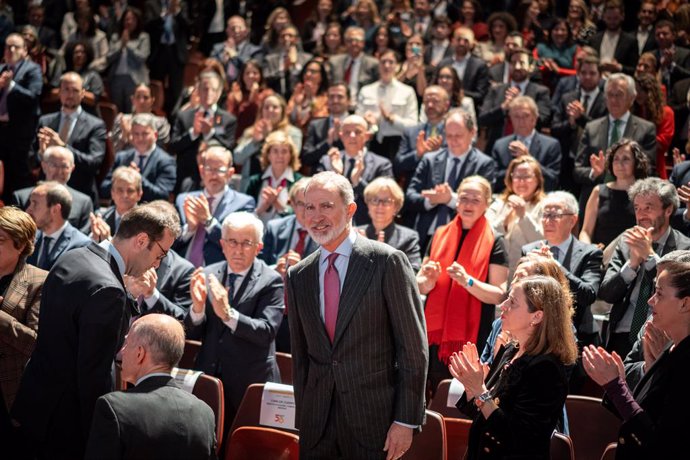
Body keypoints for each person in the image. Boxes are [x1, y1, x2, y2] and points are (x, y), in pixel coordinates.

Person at [12, 202, 181, 459]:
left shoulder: (73, 256)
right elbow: (95, 376)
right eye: (160, 254)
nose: (157, 265)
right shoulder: (110, 291)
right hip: (65, 427)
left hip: (33, 405)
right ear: (141, 240)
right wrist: (101, 434)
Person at [286, 171, 428, 458]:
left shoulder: (387, 262)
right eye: (309, 207)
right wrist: (304, 420)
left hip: (375, 424)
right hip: (317, 427)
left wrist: (405, 420)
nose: (316, 216)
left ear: (350, 209)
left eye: (326, 206)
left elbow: (413, 350)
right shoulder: (298, 275)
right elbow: (301, 358)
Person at [450, 275, 578, 459]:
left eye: (513, 302)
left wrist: (480, 390)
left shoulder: (546, 369)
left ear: (537, 316)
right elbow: (482, 415)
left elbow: (518, 438)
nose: (503, 306)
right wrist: (471, 387)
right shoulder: (511, 350)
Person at [186, 211, 284, 439]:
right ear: (222, 244)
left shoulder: (271, 280)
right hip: (209, 378)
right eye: (232, 242)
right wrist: (198, 309)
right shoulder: (208, 274)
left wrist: (229, 315)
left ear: (259, 246)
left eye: (246, 243)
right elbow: (193, 332)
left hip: (249, 382)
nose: (238, 250)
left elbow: (266, 332)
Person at [584, 255, 690, 459]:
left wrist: (616, 386)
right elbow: (640, 414)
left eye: (659, 294)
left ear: (685, 304)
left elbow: (660, 442)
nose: (650, 301)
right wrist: (620, 383)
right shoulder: (670, 348)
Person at [417, 175, 509, 389]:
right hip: (435, 335)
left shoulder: (496, 240)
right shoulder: (439, 234)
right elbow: (421, 285)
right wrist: (426, 279)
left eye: (475, 199)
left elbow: (499, 295)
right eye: (464, 198)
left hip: (472, 335)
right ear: (456, 201)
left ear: (487, 204)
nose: (468, 204)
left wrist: (467, 281)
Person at [85, 314, 217, 459]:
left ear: (140, 353)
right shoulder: (205, 413)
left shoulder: (114, 408)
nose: (122, 352)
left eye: (127, 344)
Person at [599, 178, 690, 358]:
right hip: (620, 333)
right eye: (637, 208)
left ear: (668, 209)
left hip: (661, 335)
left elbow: (675, 291)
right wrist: (631, 265)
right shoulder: (626, 242)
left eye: (648, 207)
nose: (641, 215)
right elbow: (607, 293)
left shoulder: (685, 248)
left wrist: (649, 257)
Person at [406, 109, 497, 252]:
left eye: (458, 135)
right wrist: (432, 200)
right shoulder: (429, 159)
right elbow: (410, 195)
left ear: (472, 133)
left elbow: (485, 202)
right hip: (427, 236)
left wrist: (450, 199)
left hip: (464, 237)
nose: (453, 141)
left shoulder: (484, 164)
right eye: (449, 136)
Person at [574, 73, 656, 216]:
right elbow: (577, 170)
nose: (614, 100)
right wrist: (594, 172)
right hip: (595, 203)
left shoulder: (646, 129)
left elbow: (648, 169)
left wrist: (626, 171)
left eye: (619, 95)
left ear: (632, 98)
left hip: (631, 203)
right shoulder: (591, 128)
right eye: (610, 95)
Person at [0, 207, 46, 435]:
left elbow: (35, 342)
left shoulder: (39, 281)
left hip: (9, 396)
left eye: (0, 239)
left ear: (20, 245)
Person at [174, 146, 255, 268]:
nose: (214, 175)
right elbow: (168, 244)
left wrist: (208, 221)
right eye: (209, 169)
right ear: (201, 171)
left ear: (230, 173)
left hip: (217, 274)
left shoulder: (244, 203)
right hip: (181, 273)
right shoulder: (183, 200)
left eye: (220, 170)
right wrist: (189, 229)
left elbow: (238, 244)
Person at [33, 72, 107, 204]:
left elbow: (94, 162)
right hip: (47, 193)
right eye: (66, 89)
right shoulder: (46, 122)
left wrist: (63, 146)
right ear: (59, 92)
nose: (70, 95)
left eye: (75, 90)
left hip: (80, 192)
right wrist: (42, 154)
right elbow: (31, 160)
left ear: (83, 93)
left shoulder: (96, 125)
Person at [317, 114, 394, 225]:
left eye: (357, 132)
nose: (352, 136)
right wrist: (337, 176)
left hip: (368, 227)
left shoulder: (382, 164)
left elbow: (385, 201)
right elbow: (318, 197)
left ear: (367, 136)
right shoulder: (327, 161)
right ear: (341, 135)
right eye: (347, 132)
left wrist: (358, 181)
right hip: (332, 225)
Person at [169, 71, 237, 192]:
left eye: (213, 90)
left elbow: (230, 147)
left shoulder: (228, 120)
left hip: (216, 181)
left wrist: (210, 133)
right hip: (187, 179)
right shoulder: (184, 116)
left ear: (220, 92)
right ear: (198, 91)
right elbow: (173, 146)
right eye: (205, 89)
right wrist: (193, 133)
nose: (209, 93)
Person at [478, 47, 551, 156]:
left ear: (530, 67)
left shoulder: (540, 91)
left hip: (529, 149)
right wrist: (503, 107)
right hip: (498, 148)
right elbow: (482, 118)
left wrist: (521, 107)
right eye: (513, 63)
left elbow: (544, 119)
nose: (517, 67)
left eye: (521, 63)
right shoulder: (496, 90)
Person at [580, 140, 648, 248]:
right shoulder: (598, 191)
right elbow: (586, 232)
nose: (619, 164)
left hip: (634, 254)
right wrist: (590, 250)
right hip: (601, 257)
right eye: (616, 159)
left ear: (636, 162)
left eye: (626, 159)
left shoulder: (645, 193)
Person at [10, 146, 93, 234]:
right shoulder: (22, 197)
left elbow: (84, 237)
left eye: (64, 166)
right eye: (54, 165)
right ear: (44, 166)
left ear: (72, 168)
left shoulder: (83, 202)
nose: (59, 171)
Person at [0, 32, 43, 201]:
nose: (10, 50)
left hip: (20, 134)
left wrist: (11, 86)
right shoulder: (1, 69)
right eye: (7, 46)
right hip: (1, 130)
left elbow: (33, 97)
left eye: (15, 46)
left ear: (25, 50)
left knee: (17, 177)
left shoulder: (33, 69)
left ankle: (19, 218)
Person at [486, 156, 545, 277]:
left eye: (527, 177)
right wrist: (505, 221)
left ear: (537, 180)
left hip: (530, 277)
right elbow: (485, 235)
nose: (521, 181)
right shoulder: (498, 203)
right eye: (517, 176)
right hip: (497, 275)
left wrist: (523, 216)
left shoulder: (545, 206)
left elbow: (543, 242)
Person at [357, 48, 419, 161]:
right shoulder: (366, 90)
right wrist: (366, 120)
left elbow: (413, 125)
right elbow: (357, 121)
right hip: (371, 142)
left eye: (391, 62)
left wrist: (391, 118)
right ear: (378, 64)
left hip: (397, 143)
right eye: (383, 62)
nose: (387, 66)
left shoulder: (407, 91)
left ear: (397, 65)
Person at [490, 95, 562, 192]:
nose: (521, 121)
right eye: (516, 116)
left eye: (525, 116)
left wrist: (529, 159)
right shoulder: (500, 145)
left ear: (535, 119)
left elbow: (552, 180)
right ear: (510, 119)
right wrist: (514, 170)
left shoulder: (551, 145)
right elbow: (493, 179)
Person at [101, 114, 176, 203]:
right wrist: (120, 180)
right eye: (136, 134)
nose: (140, 138)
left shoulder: (166, 161)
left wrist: (138, 178)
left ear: (155, 135)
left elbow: (163, 195)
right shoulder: (122, 158)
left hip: (149, 212)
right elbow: (104, 189)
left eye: (145, 134)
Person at [357, 177, 422, 271]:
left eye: (387, 201)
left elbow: (413, 272)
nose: (380, 206)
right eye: (375, 200)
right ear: (368, 204)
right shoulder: (355, 234)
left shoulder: (408, 238)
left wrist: (382, 258)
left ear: (396, 206)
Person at [25, 181, 92, 271]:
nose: (28, 210)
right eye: (30, 203)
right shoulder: (28, 238)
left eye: (35, 204)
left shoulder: (81, 246)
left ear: (55, 209)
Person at [394, 85, 451, 186]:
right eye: (426, 101)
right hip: (414, 192)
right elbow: (398, 165)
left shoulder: (454, 132)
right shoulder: (411, 132)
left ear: (446, 105)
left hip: (445, 189)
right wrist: (418, 154)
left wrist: (439, 152)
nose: (430, 105)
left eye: (435, 101)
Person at [245, 131, 304, 224]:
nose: (280, 156)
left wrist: (278, 204)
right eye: (275, 151)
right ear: (268, 155)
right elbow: (244, 214)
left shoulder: (300, 182)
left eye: (284, 151)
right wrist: (262, 207)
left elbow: (303, 215)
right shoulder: (255, 181)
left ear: (291, 155)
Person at [105, 7, 150, 113]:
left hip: (135, 79)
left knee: (133, 110)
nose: (129, 22)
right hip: (116, 78)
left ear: (137, 21)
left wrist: (128, 44)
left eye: (132, 19)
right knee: (118, 112)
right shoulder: (116, 37)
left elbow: (142, 57)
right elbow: (109, 57)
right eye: (126, 19)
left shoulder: (143, 37)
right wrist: (121, 45)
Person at [633, 73, 675, 179]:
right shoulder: (634, 110)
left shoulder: (666, 113)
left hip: (655, 167)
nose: (636, 94)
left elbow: (662, 144)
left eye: (640, 90)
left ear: (651, 92)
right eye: (635, 90)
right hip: (632, 167)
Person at [300, 82, 349, 171]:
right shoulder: (315, 125)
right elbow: (306, 158)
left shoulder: (357, 124)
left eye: (340, 96)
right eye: (331, 97)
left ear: (349, 100)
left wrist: (340, 138)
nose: (335, 101)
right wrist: (327, 143)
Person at [109, 83, 171, 153]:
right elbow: (114, 151)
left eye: (146, 97)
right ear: (132, 100)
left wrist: (129, 135)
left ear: (152, 100)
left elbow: (160, 151)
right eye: (138, 97)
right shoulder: (122, 120)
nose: (141, 101)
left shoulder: (161, 123)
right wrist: (123, 136)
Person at [437, 26, 489, 108]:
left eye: (466, 41)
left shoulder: (479, 65)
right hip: (442, 106)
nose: (461, 43)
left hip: (468, 107)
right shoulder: (443, 63)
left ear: (472, 44)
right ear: (452, 41)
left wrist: (458, 93)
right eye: (458, 40)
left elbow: (481, 95)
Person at [328, 26, 379, 107]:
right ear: (345, 43)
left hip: (363, 107)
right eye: (350, 40)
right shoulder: (335, 62)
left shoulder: (373, 64)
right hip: (339, 107)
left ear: (363, 43)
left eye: (357, 40)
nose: (353, 43)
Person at [90, 166, 143, 242]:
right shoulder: (102, 217)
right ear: (112, 193)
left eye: (130, 191)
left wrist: (108, 241)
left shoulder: (146, 223)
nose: (125, 195)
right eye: (120, 190)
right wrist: (94, 239)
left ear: (139, 194)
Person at [263, 24, 313, 100]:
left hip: (301, 98)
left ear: (296, 39)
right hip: (277, 99)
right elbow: (266, 80)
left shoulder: (307, 58)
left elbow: (309, 79)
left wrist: (296, 65)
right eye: (283, 36)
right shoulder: (270, 59)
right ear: (279, 40)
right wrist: (283, 69)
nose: (286, 38)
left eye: (290, 36)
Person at [225, 59, 273, 137]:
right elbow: (231, 119)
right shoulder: (235, 95)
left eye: (255, 73)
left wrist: (254, 99)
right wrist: (238, 103)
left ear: (260, 75)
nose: (251, 76)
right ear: (242, 76)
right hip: (239, 135)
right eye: (247, 73)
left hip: (261, 133)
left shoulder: (267, 94)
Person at [589, 1, 638, 76]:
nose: (612, 22)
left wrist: (619, 67)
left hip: (619, 80)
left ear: (622, 16)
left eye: (615, 18)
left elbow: (634, 70)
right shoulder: (594, 39)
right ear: (603, 17)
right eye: (609, 18)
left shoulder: (631, 41)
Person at [286, 57, 330, 135]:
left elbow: (319, 120)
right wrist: (297, 105)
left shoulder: (326, 97)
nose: (308, 74)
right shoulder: (298, 92)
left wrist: (312, 98)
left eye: (313, 72)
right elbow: (289, 117)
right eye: (306, 71)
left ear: (321, 77)